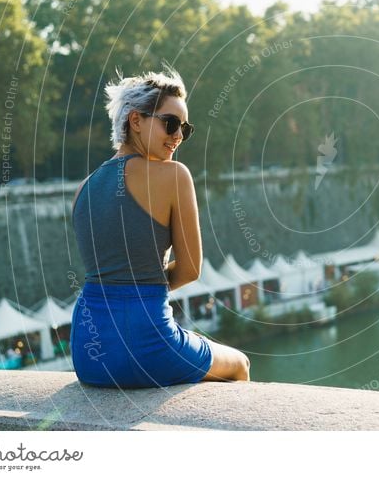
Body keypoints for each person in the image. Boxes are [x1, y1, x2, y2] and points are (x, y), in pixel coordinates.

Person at [70, 67, 250, 388]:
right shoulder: (174, 176)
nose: (178, 135)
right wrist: (147, 289)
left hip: (88, 352)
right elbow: (191, 269)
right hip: (147, 346)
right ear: (135, 121)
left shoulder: (84, 187)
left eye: (185, 128)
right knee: (239, 364)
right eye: (170, 123)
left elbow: (110, 272)